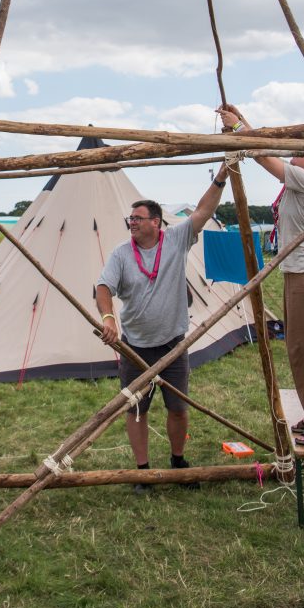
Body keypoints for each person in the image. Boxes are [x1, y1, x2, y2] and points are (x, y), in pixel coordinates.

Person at [95, 164, 229, 494]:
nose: (132, 223)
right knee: (136, 410)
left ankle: (178, 461)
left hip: (173, 345)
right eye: (131, 219)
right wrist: (108, 318)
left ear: (156, 222)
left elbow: (202, 211)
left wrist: (222, 177)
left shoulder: (175, 241)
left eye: (138, 218)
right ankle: (143, 471)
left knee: (178, 409)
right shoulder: (121, 254)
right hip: (135, 347)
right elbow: (102, 287)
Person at [218, 104, 304, 447]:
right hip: (297, 273)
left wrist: (241, 125)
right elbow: (265, 148)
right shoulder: (301, 180)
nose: (293, 155)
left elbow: (263, 156)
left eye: (299, 152)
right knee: (299, 347)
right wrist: (244, 121)